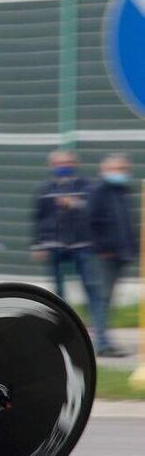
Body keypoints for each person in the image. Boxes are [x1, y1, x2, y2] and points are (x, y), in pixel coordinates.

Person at [31, 150, 99, 306]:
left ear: (75, 165)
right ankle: (62, 321)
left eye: (67, 163)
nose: (63, 167)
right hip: (54, 244)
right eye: (59, 164)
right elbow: (38, 217)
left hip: (82, 244)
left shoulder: (86, 185)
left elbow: (94, 210)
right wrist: (37, 245)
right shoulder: (44, 188)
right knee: (57, 289)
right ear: (51, 166)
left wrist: (74, 204)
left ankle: (96, 326)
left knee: (90, 284)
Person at [87, 153, 136, 358]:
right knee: (102, 299)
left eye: (124, 169)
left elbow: (125, 224)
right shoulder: (99, 192)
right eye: (118, 169)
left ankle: (105, 340)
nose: (122, 173)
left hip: (119, 255)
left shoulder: (121, 192)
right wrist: (103, 248)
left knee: (108, 300)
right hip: (104, 256)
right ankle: (101, 343)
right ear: (106, 170)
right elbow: (90, 222)